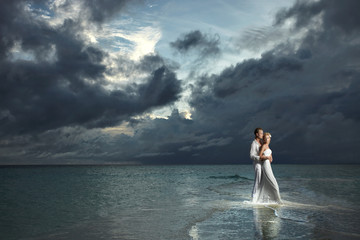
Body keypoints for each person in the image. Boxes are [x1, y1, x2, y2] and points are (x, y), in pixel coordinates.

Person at [254, 132, 282, 204]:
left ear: (270, 139)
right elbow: (260, 156)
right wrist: (267, 157)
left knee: (268, 182)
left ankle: (273, 199)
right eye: (265, 138)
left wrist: (270, 158)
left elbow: (271, 158)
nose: (266, 139)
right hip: (265, 165)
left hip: (268, 165)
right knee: (273, 182)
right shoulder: (263, 146)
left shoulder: (268, 147)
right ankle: (277, 200)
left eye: (268, 138)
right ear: (263, 139)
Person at [250, 128, 272, 201]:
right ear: (257, 134)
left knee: (263, 180)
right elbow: (251, 155)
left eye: (263, 133)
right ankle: (253, 197)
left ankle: (261, 197)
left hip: (263, 163)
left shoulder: (262, 142)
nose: (262, 135)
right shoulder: (254, 143)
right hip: (257, 164)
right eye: (261, 133)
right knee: (258, 179)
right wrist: (260, 158)